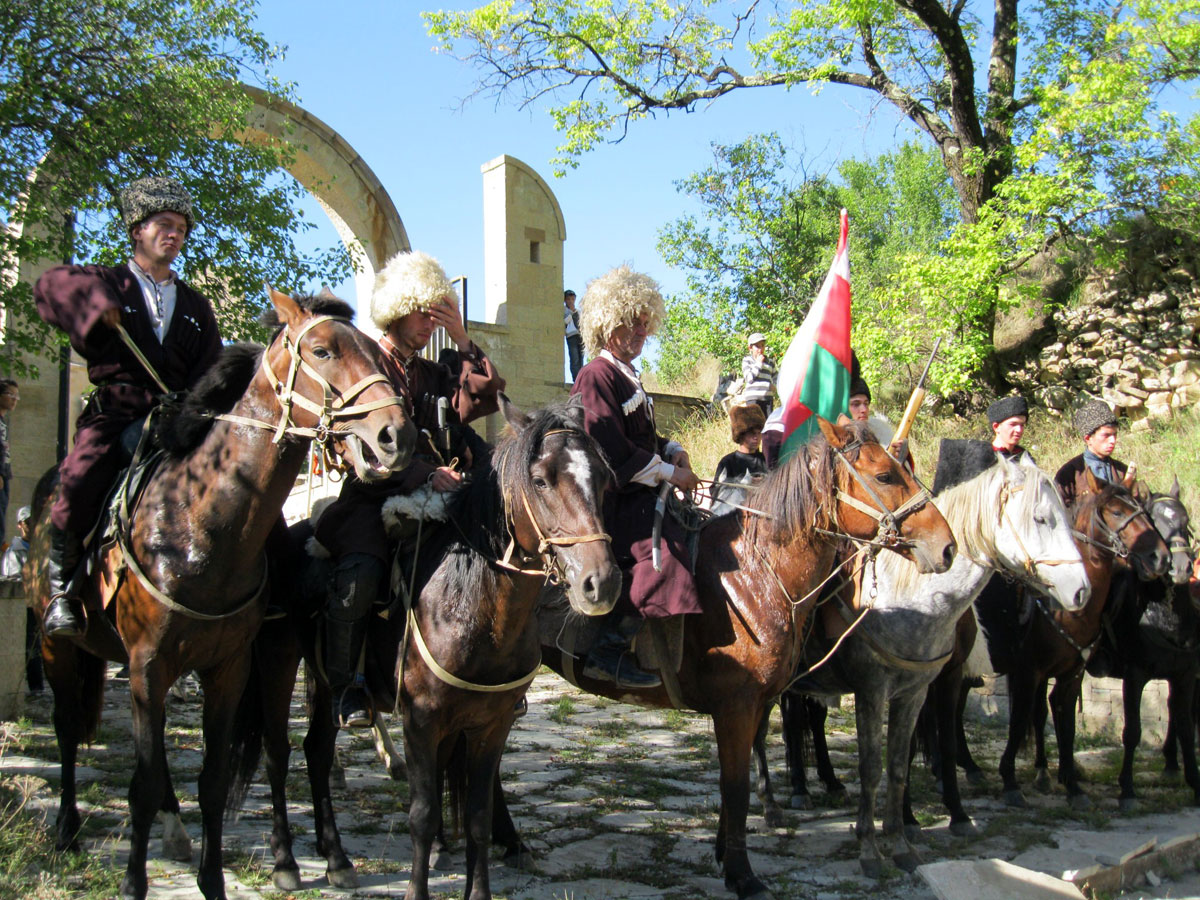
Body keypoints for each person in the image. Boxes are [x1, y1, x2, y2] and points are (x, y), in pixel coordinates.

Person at [313, 250, 505, 727]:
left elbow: (483, 396)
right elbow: (353, 443)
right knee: (360, 574)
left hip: (442, 495)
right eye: (421, 310)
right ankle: (347, 685)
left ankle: (483, 671)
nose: (427, 322)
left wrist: (462, 337)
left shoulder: (435, 370)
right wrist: (422, 473)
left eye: (434, 312)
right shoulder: (364, 359)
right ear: (397, 308)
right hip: (375, 494)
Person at [34, 176, 222, 637]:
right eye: (163, 224)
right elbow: (50, 284)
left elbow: (213, 372)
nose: (173, 234)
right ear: (137, 229)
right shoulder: (105, 281)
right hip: (116, 413)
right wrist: (98, 306)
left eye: (180, 226)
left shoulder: (197, 305)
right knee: (79, 477)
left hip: (180, 420)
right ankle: (61, 590)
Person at [571, 265, 702, 689]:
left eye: (645, 324)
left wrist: (674, 451)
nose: (642, 332)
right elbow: (608, 449)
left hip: (643, 493)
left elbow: (645, 437)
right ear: (610, 324)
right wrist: (669, 474)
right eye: (633, 323)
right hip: (617, 499)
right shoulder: (595, 375)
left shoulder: (630, 378)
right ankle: (607, 651)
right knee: (665, 558)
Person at [1054, 399, 1129, 507]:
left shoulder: (1122, 471)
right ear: (1088, 438)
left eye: (1114, 435)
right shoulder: (1070, 474)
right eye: (1106, 435)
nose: (1113, 440)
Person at [712, 404, 768, 505]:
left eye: (759, 433)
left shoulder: (765, 460)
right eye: (752, 433)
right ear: (741, 435)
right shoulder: (728, 462)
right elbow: (715, 492)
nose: (756, 437)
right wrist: (743, 486)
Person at [987, 395, 1034, 463]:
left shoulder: (1024, 456)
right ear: (996, 427)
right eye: (1013, 424)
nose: (1019, 430)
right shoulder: (985, 457)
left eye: (1022, 425)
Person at [740, 333, 777, 417]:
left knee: (767, 426)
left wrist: (774, 386)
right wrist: (758, 363)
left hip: (767, 399)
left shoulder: (770, 362)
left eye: (762, 345)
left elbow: (776, 376)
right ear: (750, 348)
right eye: (757, 346)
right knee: (754, 426)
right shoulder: (747, 360)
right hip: (753, 399)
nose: (760, 349)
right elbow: (749, 378)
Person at [0, 380, 17, 547]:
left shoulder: (3, 422)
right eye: (11, 394)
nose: (15, 399)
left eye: (16, 396)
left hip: (4, 475)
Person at [564, 289, 584, 380]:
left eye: (572, 299)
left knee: (580, 359)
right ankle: (576, 379)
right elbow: (564, 322)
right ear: (565, 300)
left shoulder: (578, 312)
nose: (571, 301)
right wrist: (571, 313)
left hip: (580, 336)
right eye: (568, 299)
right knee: (574, 358)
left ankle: (581, 379)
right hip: (571, 336)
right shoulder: (564, 311)